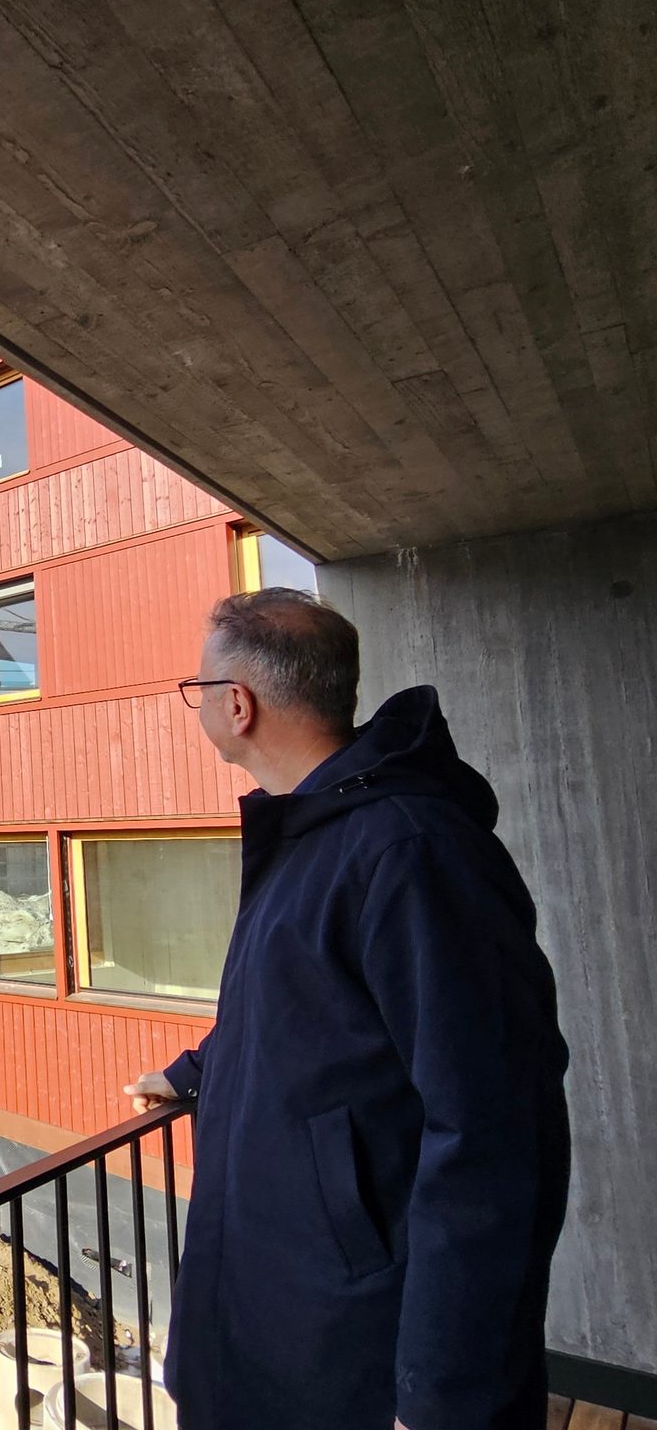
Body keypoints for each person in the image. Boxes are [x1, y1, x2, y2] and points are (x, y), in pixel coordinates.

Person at [125, 588, 569, 1430]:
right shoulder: (315, 837)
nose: (200, 704)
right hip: (277, 1330)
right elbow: (303, 1011)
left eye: (199, 687)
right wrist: (194, 1073)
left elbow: (496, 1128)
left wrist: (443, 1395)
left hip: (350, 1358)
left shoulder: (409, 850)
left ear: (238, 705)